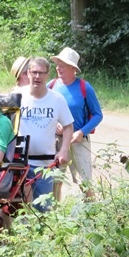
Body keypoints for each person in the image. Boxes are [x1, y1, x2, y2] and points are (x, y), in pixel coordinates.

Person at [18, 57, 74, 210]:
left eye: (41, 73)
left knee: (44, 210)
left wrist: (63, 150)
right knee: (20, 210)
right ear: (28, 73)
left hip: (45, 166)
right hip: (20, 164)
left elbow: (69, 126)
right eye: (34, 72)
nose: (37, 77)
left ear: (48, 75)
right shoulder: (17, 96)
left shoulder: (57, 100)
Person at [49, 48, 103, 200]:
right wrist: (53, 124)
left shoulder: (84, 87)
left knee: (85, 182)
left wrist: (82, 132)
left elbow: (98, 115)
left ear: (73, 68)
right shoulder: (51, 86)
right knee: (55, 180)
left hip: (78, 140)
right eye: (57, 64)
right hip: (56, 140)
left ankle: (91, 213)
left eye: (62, 65)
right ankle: (53, 215)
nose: (58, 67)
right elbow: (42, 110)